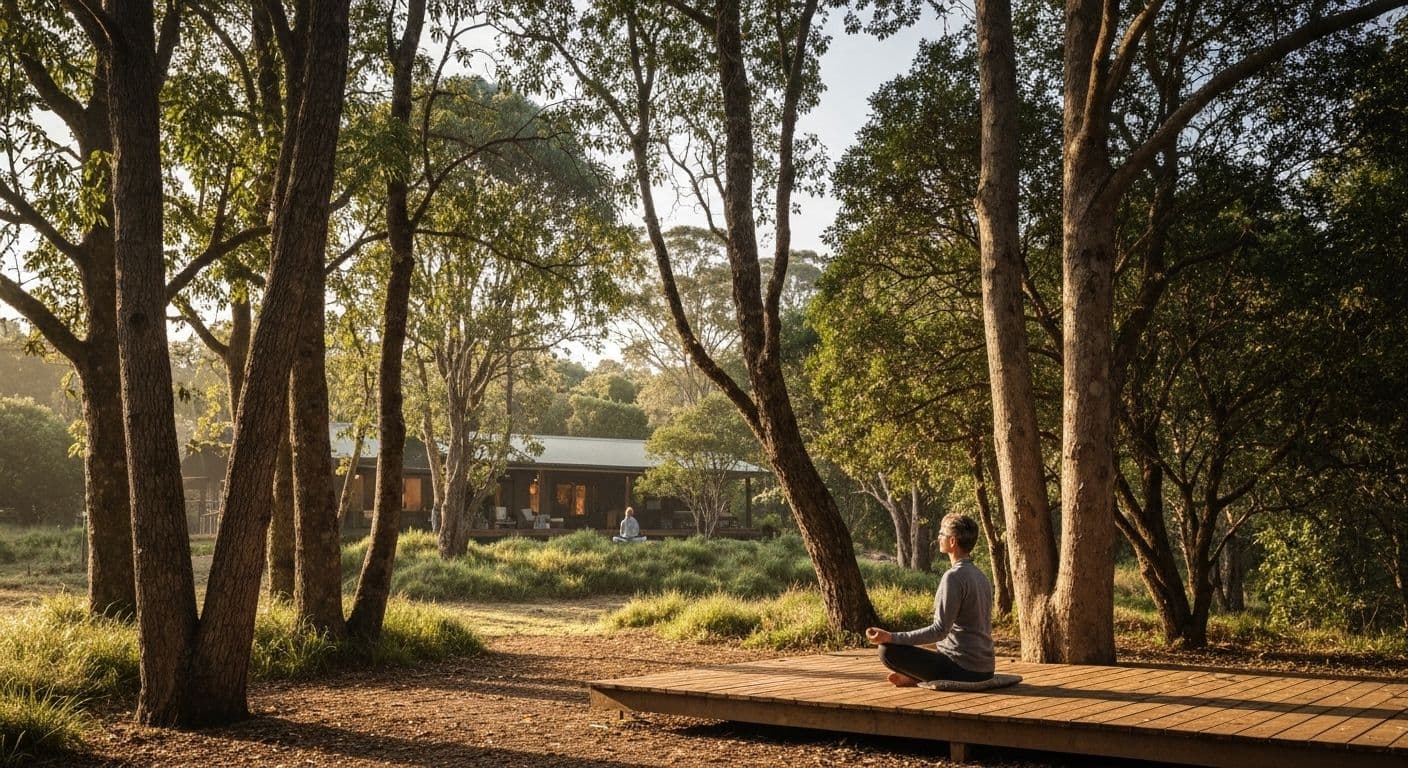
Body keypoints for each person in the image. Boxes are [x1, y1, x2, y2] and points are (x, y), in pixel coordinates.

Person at [865, 512, 994, 686]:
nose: (938, 537)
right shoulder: (981, 577)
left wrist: (891, 637)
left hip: (963, 669)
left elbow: (939, 631)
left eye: (941, 534)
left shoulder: (953, 577)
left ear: (953, 541)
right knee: (922, 650)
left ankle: (919, 677)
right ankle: (916, 677)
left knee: (886, 651)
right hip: (985, 669)